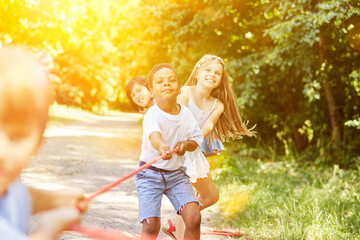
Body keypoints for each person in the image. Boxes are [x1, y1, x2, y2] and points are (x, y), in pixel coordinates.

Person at [162, 55, 256, 239]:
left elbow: (208, 127)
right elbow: (175, 118)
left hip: (191, 149)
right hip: (175, 148)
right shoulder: (185, 92)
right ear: (197, 72)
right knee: (187, 199)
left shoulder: (217, 105)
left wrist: (193, 142)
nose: (212, 74)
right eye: (207, 70)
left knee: (211, 196)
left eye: (217, 73)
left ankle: (174, 222)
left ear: (220, 80)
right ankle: (180, 228)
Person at [0, 45, 88, 240]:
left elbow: (19, 197)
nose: (1, 152)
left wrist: (60, 199)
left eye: (16, 136)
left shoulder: (6, 180)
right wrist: (48, 231)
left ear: (39, 141)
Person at [135, 63, 202, 240]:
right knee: (151, 225)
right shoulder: (152, 114)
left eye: (171, 81)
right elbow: (153, 135)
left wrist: (186, 145)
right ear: (151, 91)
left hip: (176, 175)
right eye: (160, 82)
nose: (166, 84)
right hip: (149, 174)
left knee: (194, 218)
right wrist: (161, 146)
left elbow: (196, 139)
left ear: (179, 89)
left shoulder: (186, 114)